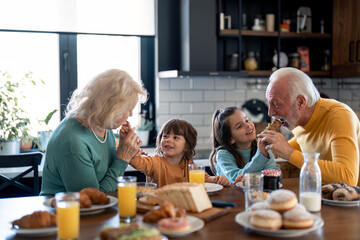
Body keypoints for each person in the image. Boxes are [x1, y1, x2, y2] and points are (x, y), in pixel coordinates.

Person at [40, 69, 147, 195]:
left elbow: (105, 171)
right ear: (111, 110)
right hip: (64, 212)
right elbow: (93, 200)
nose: (131, 114)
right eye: (129, 109)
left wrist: (124, 150)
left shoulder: (101, 125)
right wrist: (123, 158)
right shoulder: (73, 142)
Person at [258, 67, 360, 186]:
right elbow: (304, 143)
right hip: (323, 195)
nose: (270, 112)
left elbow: (347, 177)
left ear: (300, 102)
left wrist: (289, 152)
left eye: (276, 104)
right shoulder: (300, 121)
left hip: (352, 200)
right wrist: (268, 150)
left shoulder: (339, 116)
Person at [123, 119, 231, 187]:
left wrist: (217, 179)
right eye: (165, 136)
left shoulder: (188, 165)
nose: (168, 140)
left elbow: (205, 179)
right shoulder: (154, 162)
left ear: (187, 145)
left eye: (175, 137)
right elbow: (133, 160)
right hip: (158, 207)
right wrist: (129, 143)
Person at [209, 106, 281, 183]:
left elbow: (275, 173)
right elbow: (235, 178)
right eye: (239, 126)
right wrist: (261, 156)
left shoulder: (263, 148)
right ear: (230, 139)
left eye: (247, 120)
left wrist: (250, 178)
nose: (247, 125)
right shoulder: (223, 155)